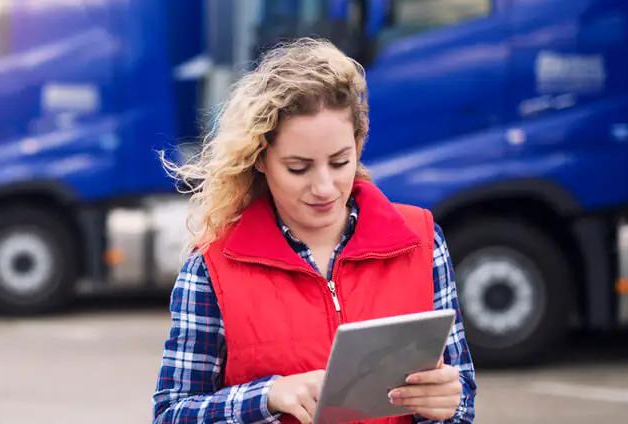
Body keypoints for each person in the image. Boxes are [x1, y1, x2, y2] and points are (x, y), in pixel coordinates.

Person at [152, 38, 476, 423]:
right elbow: (171, 414)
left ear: (358, 145)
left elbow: (460, 397)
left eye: (340, 162)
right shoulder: (210, 269)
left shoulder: (422, 241)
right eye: (298, 167)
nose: (324, 187)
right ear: (259, 159)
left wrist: (445, 406)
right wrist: (267, 396)